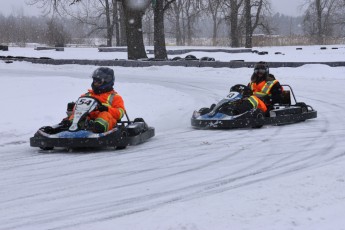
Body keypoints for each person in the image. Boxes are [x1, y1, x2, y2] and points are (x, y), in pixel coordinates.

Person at [63, 67, 125, 133]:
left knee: (105, 115)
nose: (95, 83)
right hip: (88, 120)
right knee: (77, 114)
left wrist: (106, 109)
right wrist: (74, 107)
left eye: (98, 81)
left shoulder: (115, 97)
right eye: (94, 81)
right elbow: (78, 109)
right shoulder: (86, 95)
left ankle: (98, 127)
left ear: (107, 81)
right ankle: (69, 125)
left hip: (105, 120)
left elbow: (120, 112)